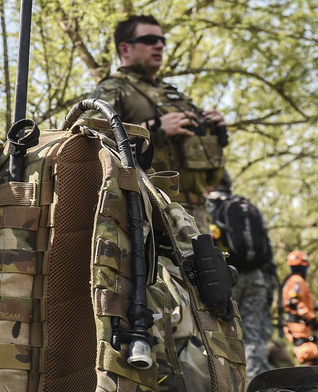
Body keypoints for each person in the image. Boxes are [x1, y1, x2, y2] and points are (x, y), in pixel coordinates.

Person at [91, 15, 227, 231]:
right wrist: (153, 129)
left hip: (198, 214)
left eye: (162, 40)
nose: (160, 46)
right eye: (149, 40)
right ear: (125, 49)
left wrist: (217, 135)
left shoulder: (175, 96)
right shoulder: (115, 89)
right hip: (150, 211)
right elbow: (89, 142)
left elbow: (213, 177)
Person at [206, 173, 276, 382]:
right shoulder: (247, 206)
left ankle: (232, 385)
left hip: (228, 275)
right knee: (253, 333)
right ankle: (259, 386)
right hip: (257, 277)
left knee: (224, 331)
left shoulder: (209, 206)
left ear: (215, 182)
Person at [281, 250, 318, 366]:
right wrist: (310, 317)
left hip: (300, 324)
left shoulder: (291, 281)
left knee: (309, 353)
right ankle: (309, 383)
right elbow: (295, 301)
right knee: (308, 354)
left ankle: (310, 382)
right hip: (299, 324)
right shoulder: (297, 281)